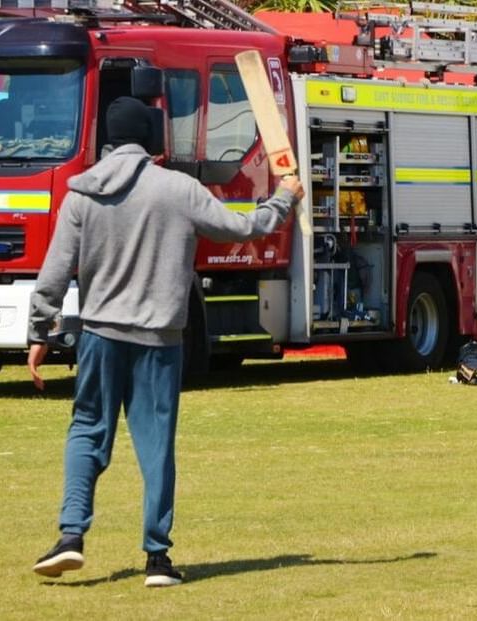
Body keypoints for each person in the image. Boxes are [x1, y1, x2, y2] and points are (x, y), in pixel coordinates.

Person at [28, 97, 304, 585]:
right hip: (160, 338)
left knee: (88, 431)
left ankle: (71, 535)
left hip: (99, 335)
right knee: (155, 445)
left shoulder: (81, 194)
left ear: (108, 139)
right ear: (151, 139)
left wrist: (40, 331)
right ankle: (158, 558)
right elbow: (242, 227)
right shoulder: (180, 189)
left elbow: (53, 271)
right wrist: (285, 197)